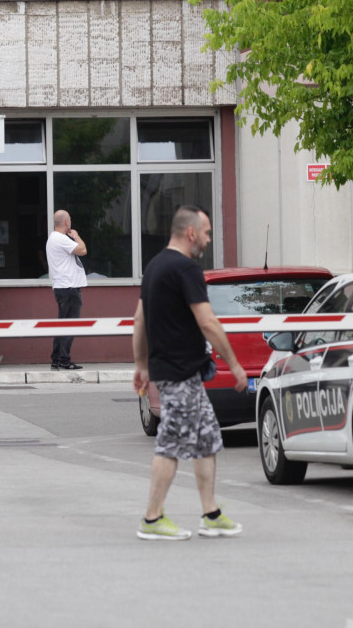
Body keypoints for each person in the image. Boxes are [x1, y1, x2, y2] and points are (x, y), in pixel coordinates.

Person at [132, 205, 248, 541]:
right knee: (170, 444)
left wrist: (141, 365)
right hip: (179, 374)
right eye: (207, 233)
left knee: (206, 439)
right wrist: (235, 365)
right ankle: (152, 518)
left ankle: (211, 514)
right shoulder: (185, 268)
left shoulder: (154, 267)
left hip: (179, 373)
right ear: (191, 233)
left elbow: (139, 320)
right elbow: (208, 321)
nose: (209, 240)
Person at [46, 209, 87, 370]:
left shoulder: (53, 238)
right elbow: (83, 250)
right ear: (66, 222)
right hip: (68, 287)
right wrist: (76, 236)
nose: (70, 221)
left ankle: (57, 358)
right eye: (69, 219)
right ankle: (64, 359)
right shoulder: (61, 239)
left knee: (62, 324)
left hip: (62, 287)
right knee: (70, 324)